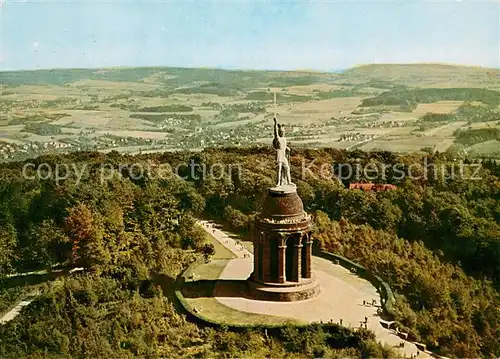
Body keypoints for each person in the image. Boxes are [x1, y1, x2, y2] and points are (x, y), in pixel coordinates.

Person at [273, 117, 292, 187]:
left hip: (283, 155)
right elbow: (275, 131)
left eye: (283, 132)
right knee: (279, 169)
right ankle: (278, 182)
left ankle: (289, 181)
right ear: (279, 132)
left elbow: (284, 146)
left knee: (287, 168)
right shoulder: (278, 138)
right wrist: (275, 123)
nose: (282, 133)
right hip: (279, 154)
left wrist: (287, 148)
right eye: (281, 132)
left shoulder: (284, 139)